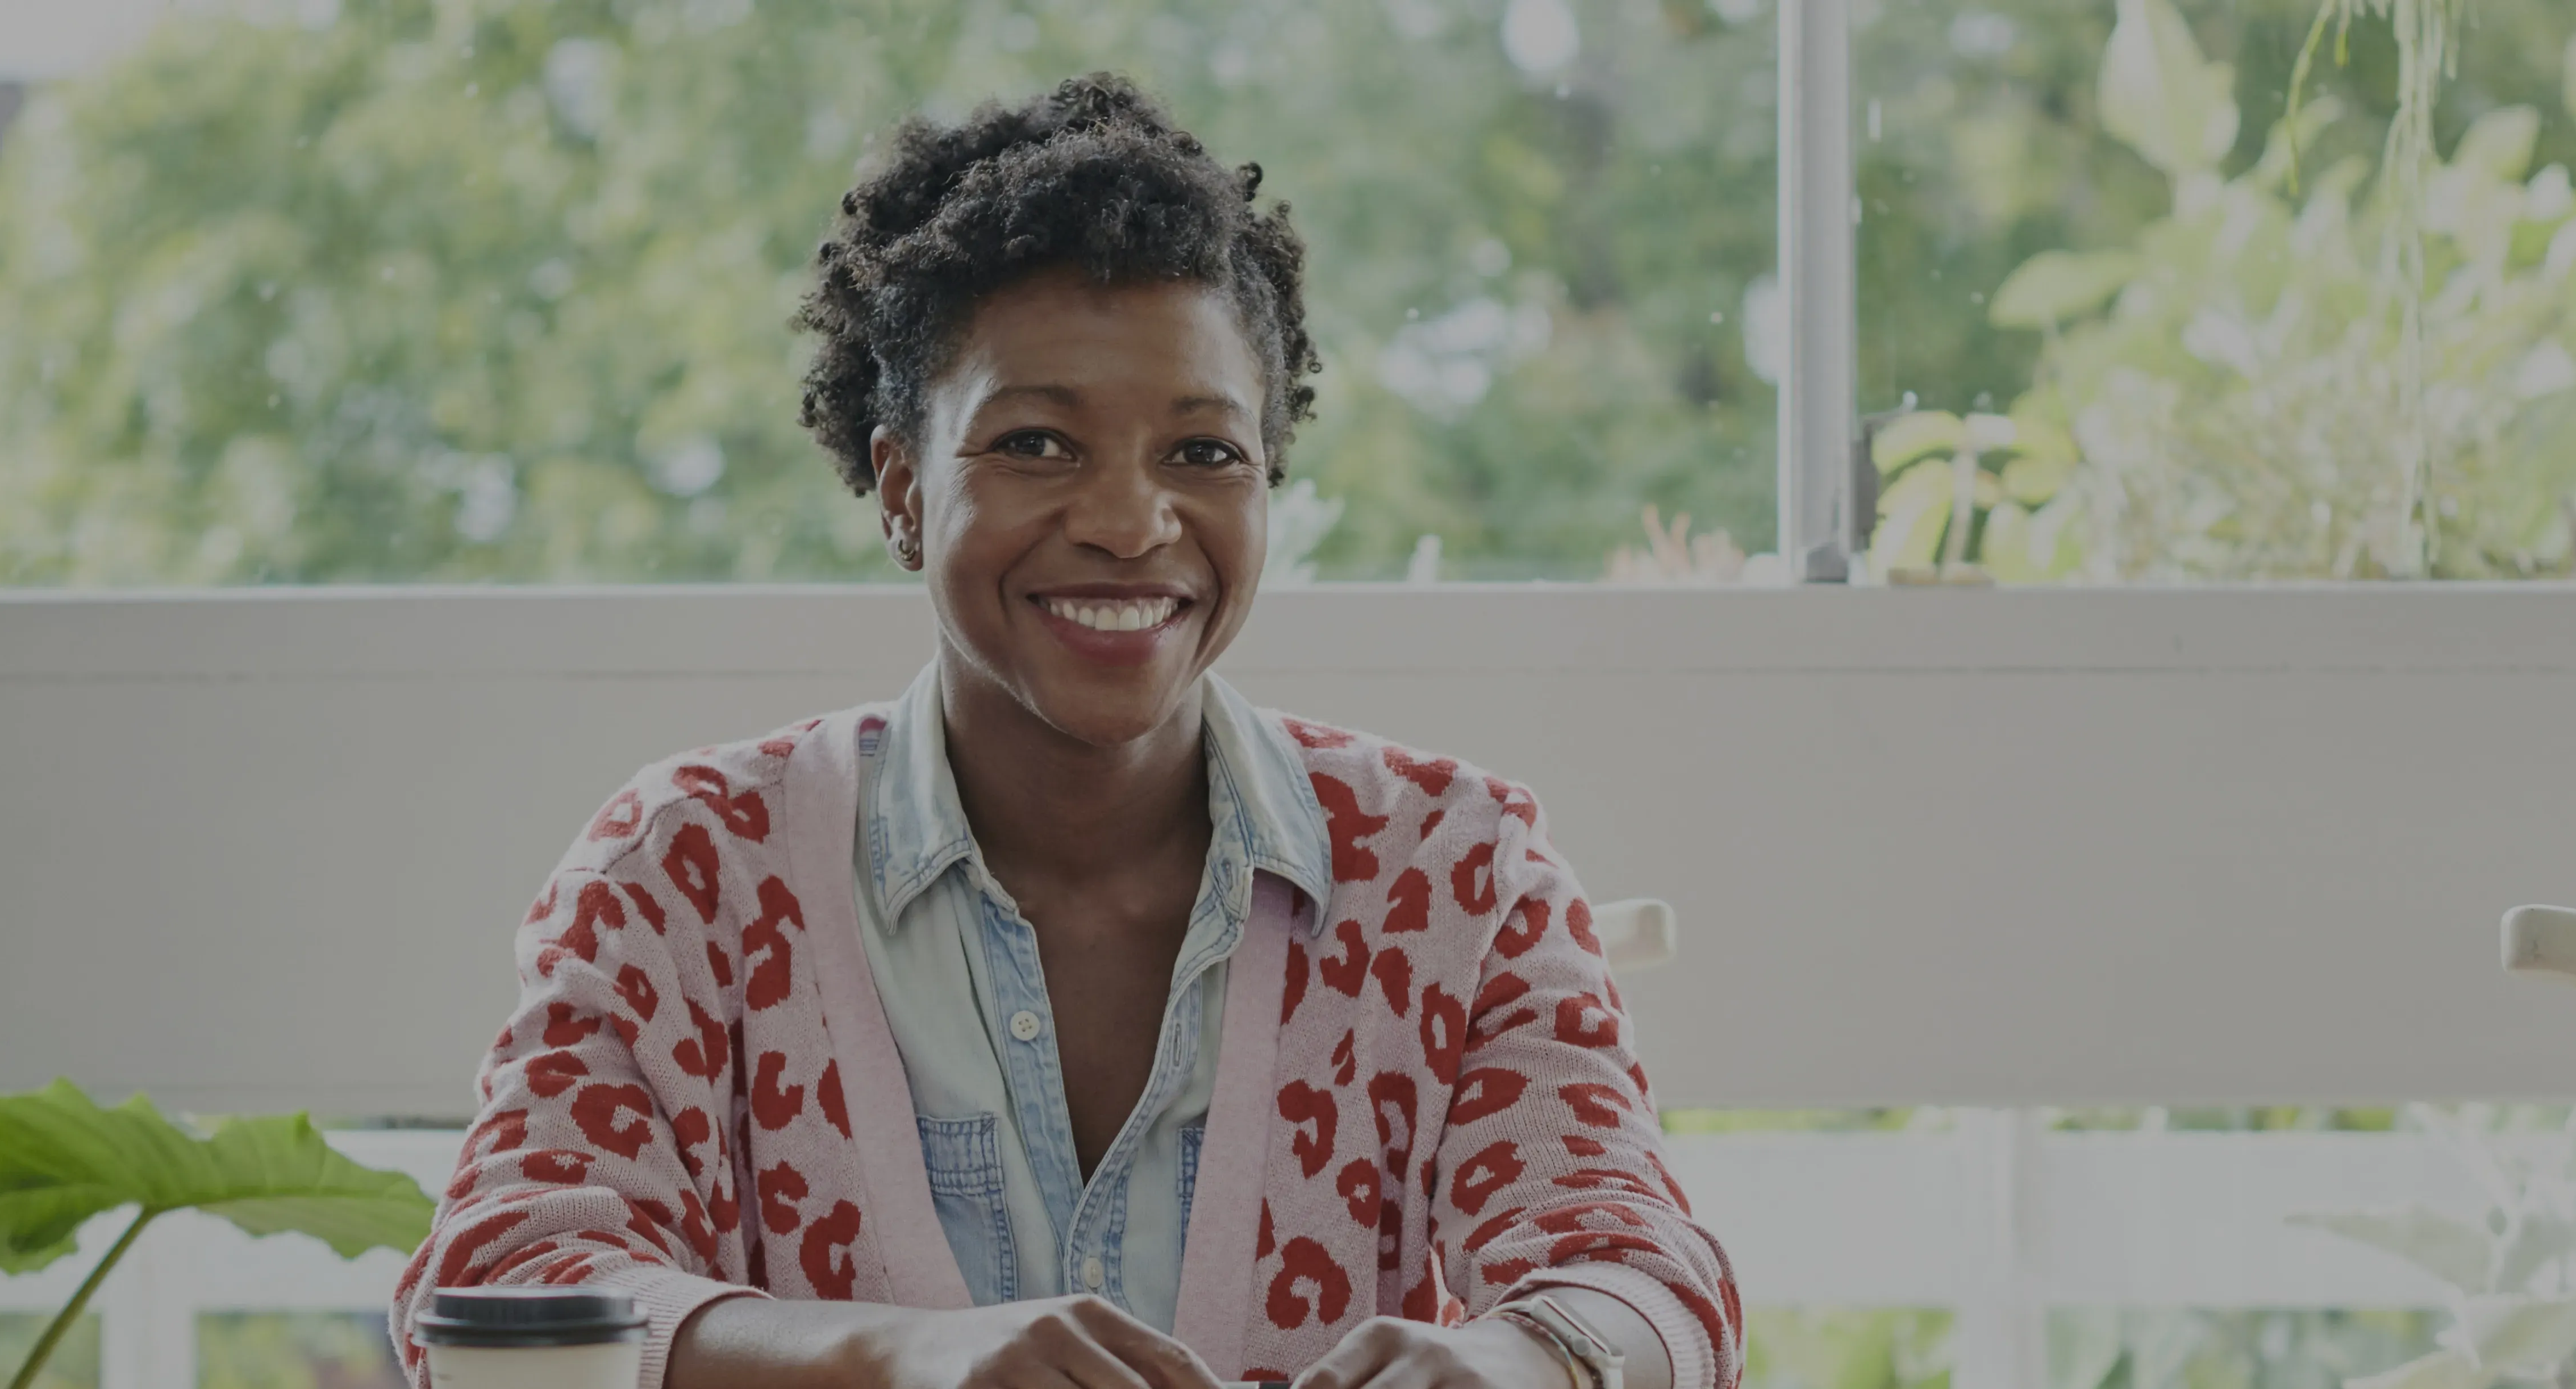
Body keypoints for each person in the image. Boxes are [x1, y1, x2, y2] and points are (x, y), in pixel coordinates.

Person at [391, 74, 1738, 1389]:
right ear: (903, 488)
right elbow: (499, 1290)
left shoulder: (1456, 868)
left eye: (1203, 452)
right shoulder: (688, 871)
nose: (1129, 522)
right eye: (1037, 443)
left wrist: (1510, 1358)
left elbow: (1645, 1280)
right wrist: (894, 1354)